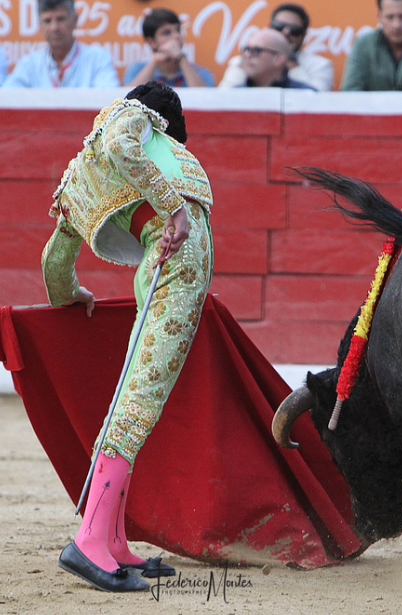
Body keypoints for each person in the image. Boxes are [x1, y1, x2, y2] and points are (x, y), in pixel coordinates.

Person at [44, 81, 213, 591]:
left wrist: (72, 294)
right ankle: (90, 541)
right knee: (138, 404)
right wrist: (175, 208)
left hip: (161, 270)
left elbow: (54, 262)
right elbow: (123, 143)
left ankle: (113, 540)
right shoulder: (133, 119)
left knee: (135, 400)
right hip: (177, 267)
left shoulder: (78, 177)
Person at [3, 0, 119, 88]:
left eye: (61, 19)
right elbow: (8, 101)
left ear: (75, 21)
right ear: (40, 25)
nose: (54, 27)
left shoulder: (98, 59)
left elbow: (109, 101)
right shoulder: (29, 65)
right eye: (47, 21)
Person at [219, 3, 333, 91]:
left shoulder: (321, 65)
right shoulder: (243, 61)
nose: (286, 32)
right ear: (270, 28)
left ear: (303, 36)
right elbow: (224, 99)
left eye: (294, 30)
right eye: (279, 26)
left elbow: (316, 102)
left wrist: (293, 65)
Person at [124, 8, 215, 88]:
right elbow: (130, 98)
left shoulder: (202, 73)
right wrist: (155, 61)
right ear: (152, 42)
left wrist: (181, 58)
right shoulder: (136, 70)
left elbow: (205, 97)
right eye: (167, 33)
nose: (177, 36)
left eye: (178, 30)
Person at [232, 28, 316, 89]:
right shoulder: (234, 95)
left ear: (279, 59)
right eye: (247, 49)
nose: (248, 55)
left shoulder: (304, 95)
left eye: (257, 50)